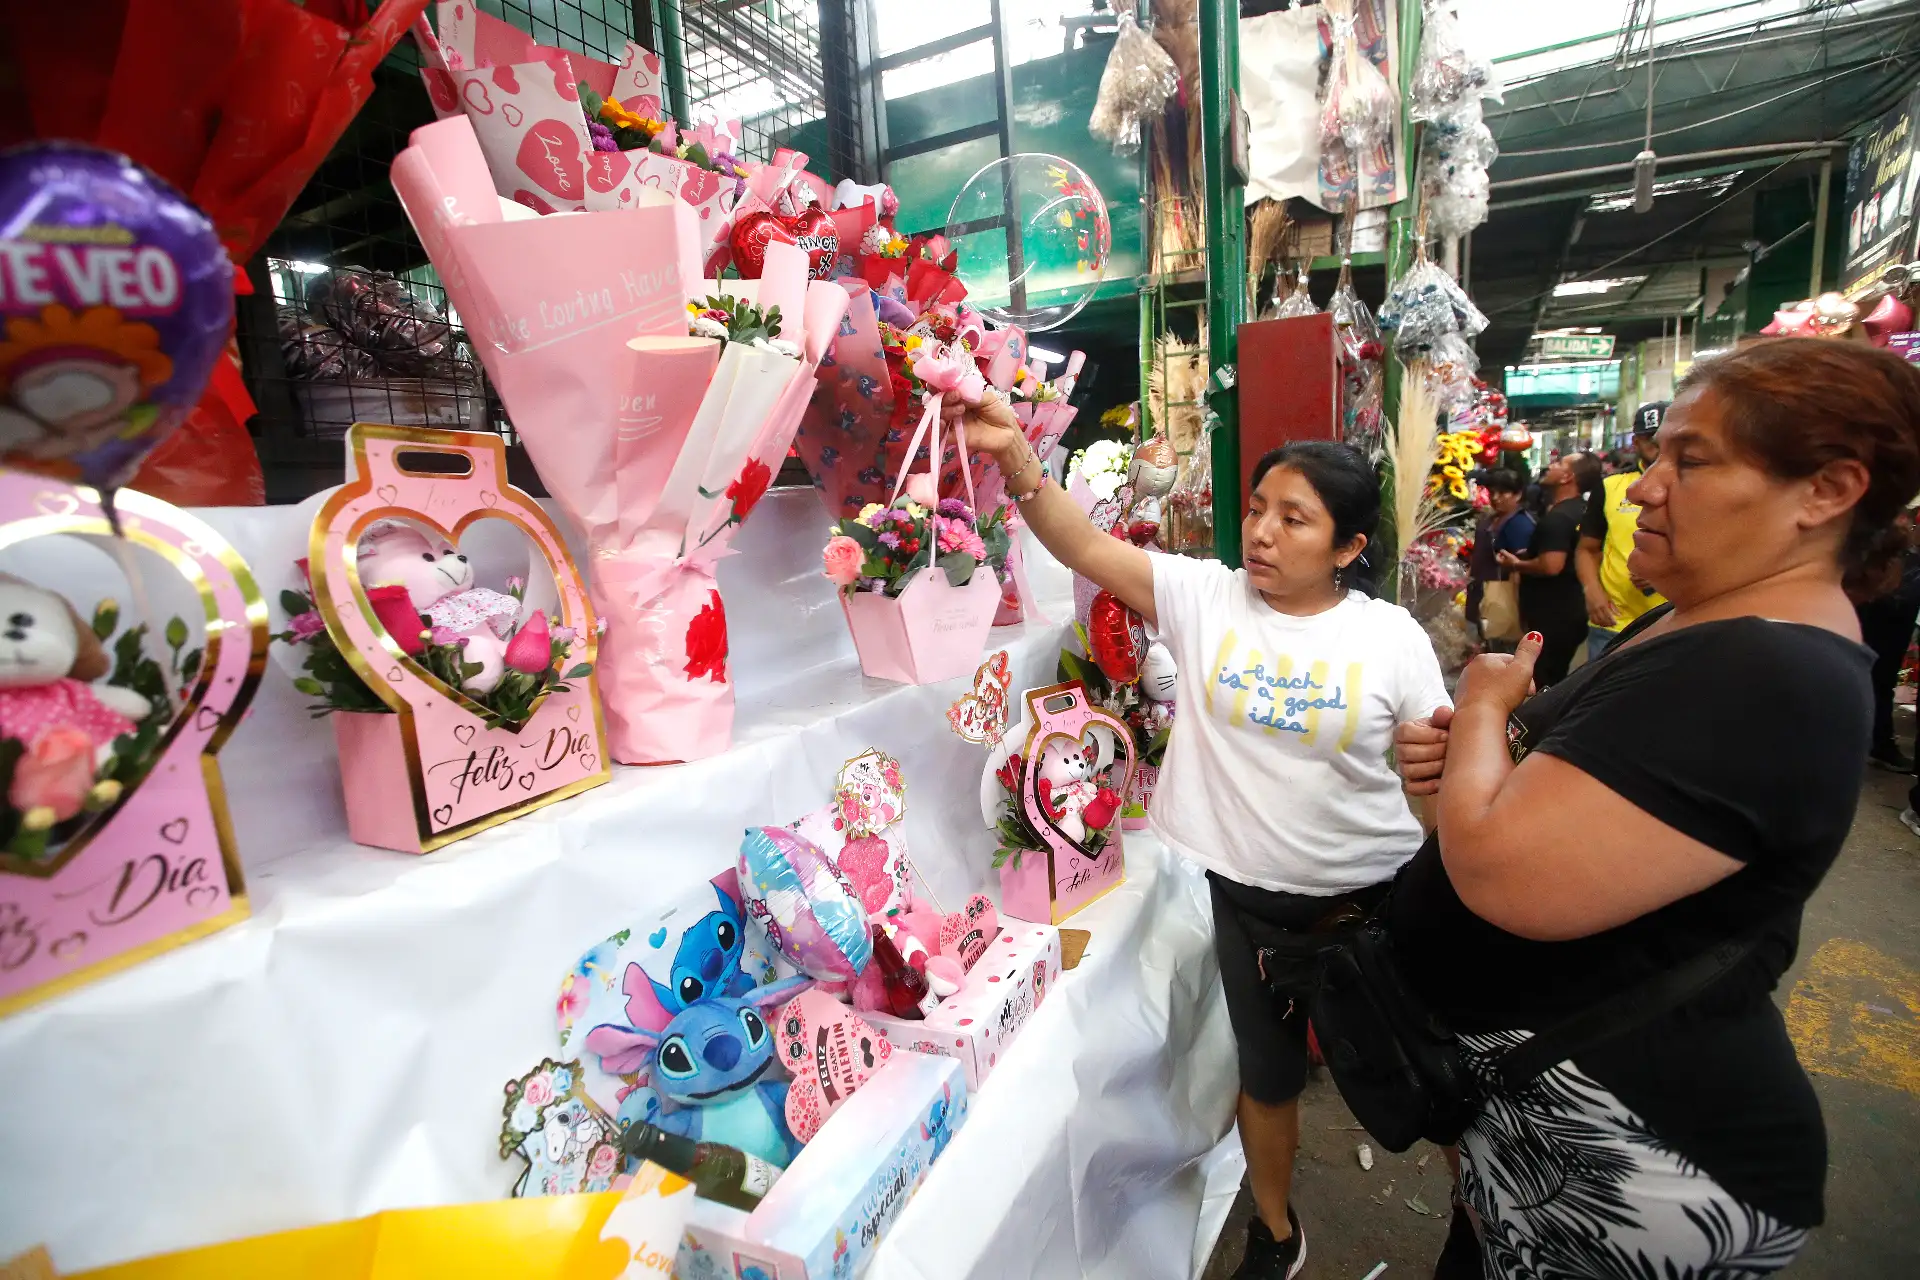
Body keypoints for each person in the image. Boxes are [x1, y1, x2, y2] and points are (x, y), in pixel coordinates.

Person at [1392, 338, 1920, 1277]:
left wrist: (1479, 711)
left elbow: (1500, 869)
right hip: (1545, 1133)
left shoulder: (1769, 671)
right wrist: (1463, 769)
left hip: (1636, 1161)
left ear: (1828, 492)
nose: (1642, 488)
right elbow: (1514, 824)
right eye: (1655, 456)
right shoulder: (1697, 620)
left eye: (1693, 460)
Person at [953, 396, 1447, 1280]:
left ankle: (1485, 1230)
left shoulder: (1389, 639)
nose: (1261, 531)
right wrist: (1018, 459)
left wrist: (1455, 749)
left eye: (1293, 518)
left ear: (1347, 548)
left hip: (1367, 910)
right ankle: (1275, 1230)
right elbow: (1086, 547)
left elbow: (1440, 770)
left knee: (1427, 1081)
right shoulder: (1207, 597)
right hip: (1249, 905)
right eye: (1258, 508)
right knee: (1267, 1075)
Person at [1496, 452, 1600, 686]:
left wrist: (1516, 564)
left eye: (1559, 463)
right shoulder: (1583, 510)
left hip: (1552, 616)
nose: (1550, 466)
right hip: (1572, 610)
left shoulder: (1558, 518)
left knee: (1541, 680)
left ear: (1567, 477)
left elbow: (1552, 565)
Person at [1576, 402, 1668, 663]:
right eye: (1651, 439)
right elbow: (1587, 548)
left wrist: (1670, 570)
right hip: (1615, 622)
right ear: (1636, 442)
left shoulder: (1698, 487)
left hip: (1676, 618)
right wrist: (1592, 591)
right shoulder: (1610, 487)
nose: (1659, 446)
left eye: (1664, 438)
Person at [1849, 511, 1919, 772]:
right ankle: (1876, 743)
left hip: (1888, 609)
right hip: (1888, 613)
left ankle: (1875, 742)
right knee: (1876, 677)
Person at [1466, 470, 1533, 644]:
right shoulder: (1493, 519)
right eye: (1492, 492)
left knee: (1498, 646)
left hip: (1499, 596)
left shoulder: (1520, 525)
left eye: (1502, 493)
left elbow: (1522, 566)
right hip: (1482, 592)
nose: (1495, 498)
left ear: (1518, 494)